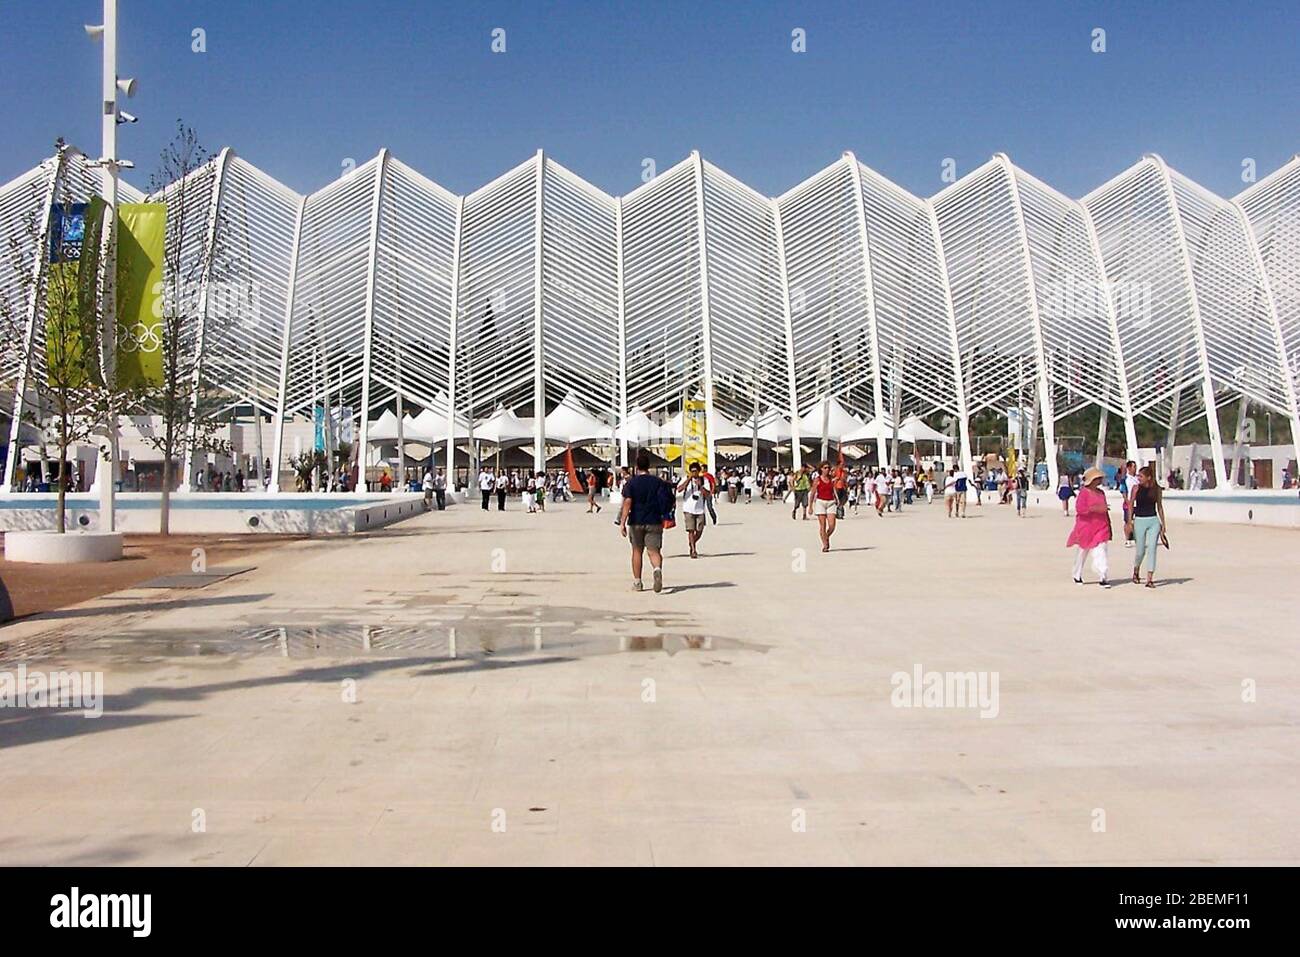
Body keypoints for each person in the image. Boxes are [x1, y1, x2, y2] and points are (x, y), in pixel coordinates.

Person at [620, 449, 668, 593]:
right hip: (654, 519)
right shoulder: (658, 482)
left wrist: (622, 522)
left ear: (636, 466)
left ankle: (638, 582)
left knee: (636, 551)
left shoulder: (631, 483)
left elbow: (628, 502)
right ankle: (657, 569)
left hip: (636, 520)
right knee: (654, 551)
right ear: (649, 466)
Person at [1067, 466, 1112, 587]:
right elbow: (1080, 510)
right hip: (1086, 527)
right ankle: (1077, 574)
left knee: (1101, 551)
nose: (1100, 480)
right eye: (1098, 478)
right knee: (1083, 552)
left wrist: (1109, 524)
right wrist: (1097, 509)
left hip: (1101, 527)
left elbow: (1105, 510)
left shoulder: (1101, 493)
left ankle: (1103, 576)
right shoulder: (1084, 493)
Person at [1127, 466, 1169, 588]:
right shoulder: (1135, 488)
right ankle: (1136, 570)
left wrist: (1163, 524)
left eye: (1141, 476)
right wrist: (1130, 521)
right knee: (1140, 550)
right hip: (1139, 520)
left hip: (1153, 521)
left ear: (1148, 477)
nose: (1138, 478)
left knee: (1152, 549)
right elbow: (1130, 504)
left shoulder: (1157, 489)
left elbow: (1160, 507)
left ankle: (1150, 578)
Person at [677, 462, 708, 559]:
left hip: (700, 509)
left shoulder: (704, 480)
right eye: (692, 471)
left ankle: (692, 543)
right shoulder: (685, 479)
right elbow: (679, 489)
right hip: (688, 508)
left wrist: (701, 486)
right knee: (691, 530)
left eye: (696, 471)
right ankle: (693, 550)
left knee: (699, 530)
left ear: (699, 471)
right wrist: (688, 479)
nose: (694, 473)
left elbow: (707, 494)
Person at [812, 462, 839, 551]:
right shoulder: (818, 479)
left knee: (832, 525)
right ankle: (825, 545)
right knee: (822, 525)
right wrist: (810, 506)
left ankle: (826, 537)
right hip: (821, 502)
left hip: (831, 502)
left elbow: (833, 490)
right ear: (821, 469)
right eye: (825, 468)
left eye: (828, 468)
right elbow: (813, 493)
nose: (827, 469)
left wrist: (837, 499)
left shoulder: (831, 479)